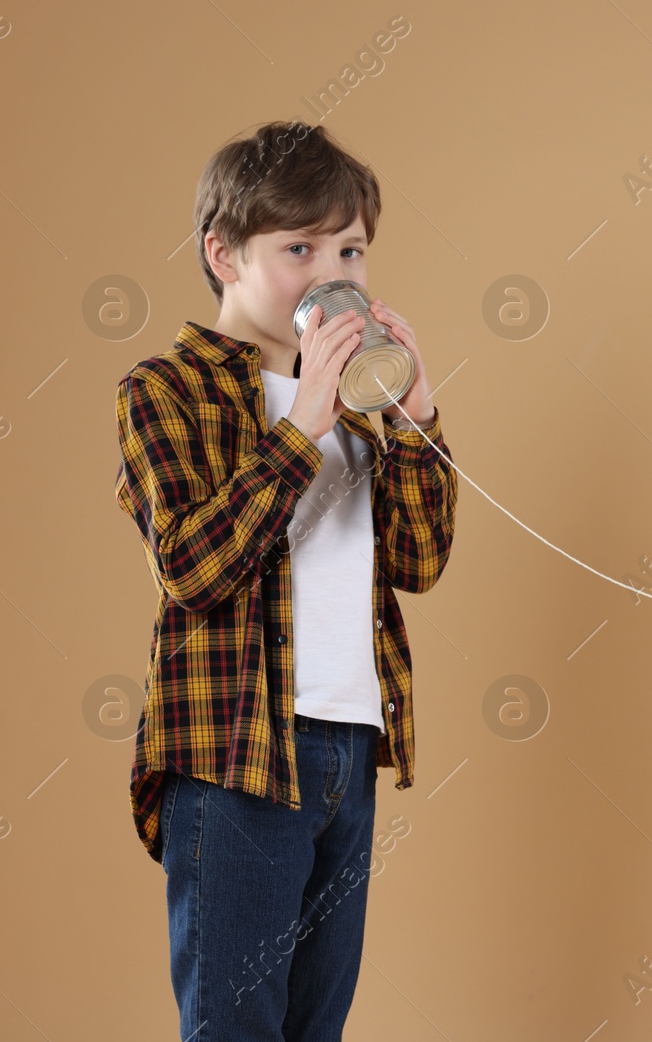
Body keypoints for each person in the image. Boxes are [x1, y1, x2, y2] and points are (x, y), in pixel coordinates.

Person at [112, 119, 456, 1040]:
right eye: (297, 246)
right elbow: (190, 565)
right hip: (236, 754)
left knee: (316, 1025)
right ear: (224, 254)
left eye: (348, 247)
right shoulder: (166, 388)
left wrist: (417, 415)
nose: (328, 268)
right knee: (235, 1025)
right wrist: (299, 427)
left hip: (346, 743)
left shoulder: (360, 403)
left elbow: (418, 562)